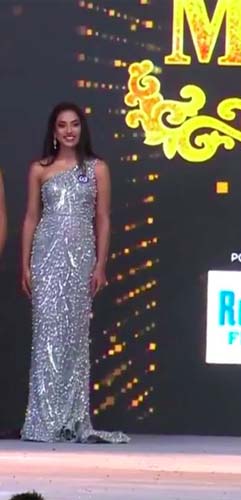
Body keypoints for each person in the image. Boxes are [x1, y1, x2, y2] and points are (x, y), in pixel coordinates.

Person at [20, 102, 129, 444]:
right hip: (46, 256)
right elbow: (31, 218)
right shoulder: (39, 169)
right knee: (46, 336)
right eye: (62, 125)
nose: (69, 130)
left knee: (74, 337)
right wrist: (25, 265)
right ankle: (43, 420)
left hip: (81, 258)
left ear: (82, 129)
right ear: (54, 131)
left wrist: (101, 264)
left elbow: (103, 218)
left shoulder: (97, 168)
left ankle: (71, 418)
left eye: (75, 124)